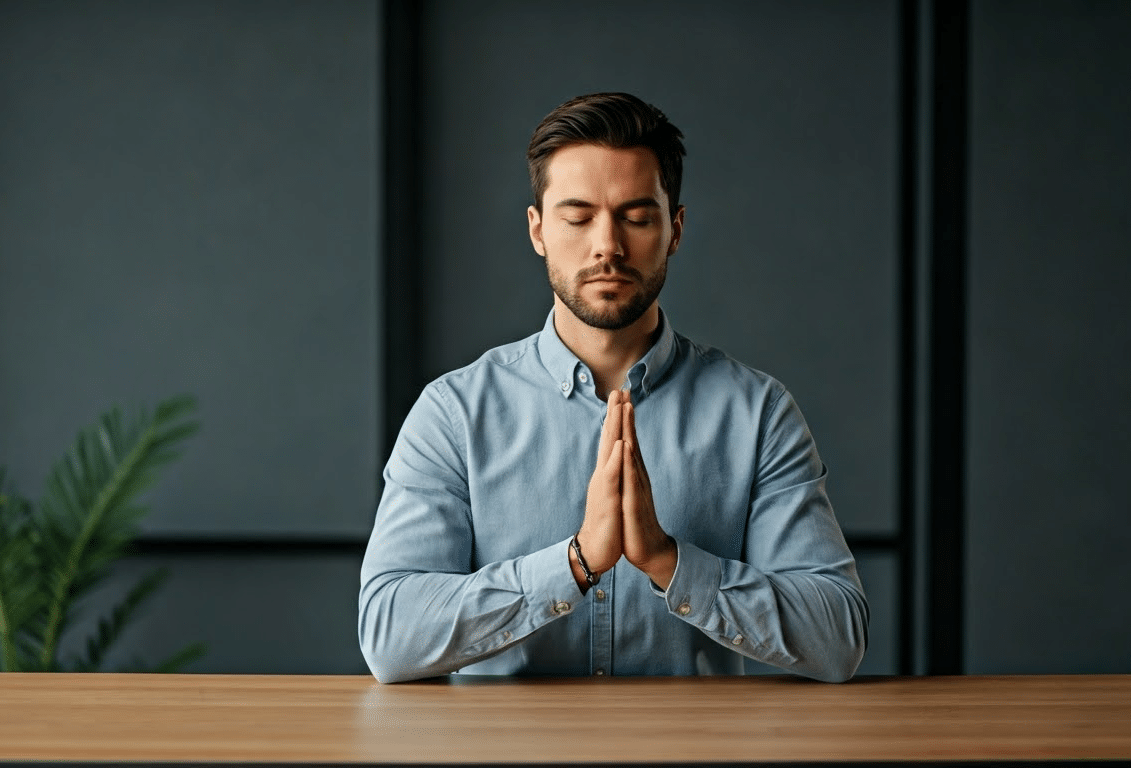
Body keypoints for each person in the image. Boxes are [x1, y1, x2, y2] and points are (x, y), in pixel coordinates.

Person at [358, 92, 867, 683]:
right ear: (538, 230)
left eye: (636, 216)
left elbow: (837, 637)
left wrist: (668, 562)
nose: (608, 246)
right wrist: (573, 565)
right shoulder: (453, 413)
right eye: (577, 218)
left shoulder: (757, 413)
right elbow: (390, 635)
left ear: (674, 229)